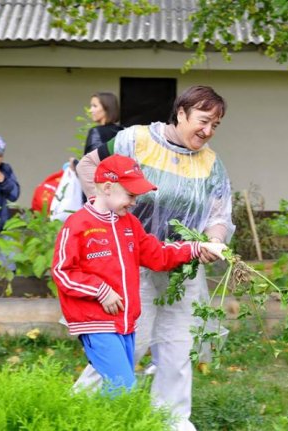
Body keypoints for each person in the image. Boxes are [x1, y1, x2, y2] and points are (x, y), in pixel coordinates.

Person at [76, 85, 233, 431]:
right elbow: (90, 168)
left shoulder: (211, 163)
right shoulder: (136, 141)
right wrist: (109, 215)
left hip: (183, 268)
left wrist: (214, 241)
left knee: (178, 348)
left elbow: (219, 214)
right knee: (129, 342)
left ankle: (171, 419)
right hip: (136, 265)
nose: (207, 132)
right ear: (181, 113)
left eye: (215, 126)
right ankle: (82, 409)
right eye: (203, 121)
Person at [52, 154, 225, 392]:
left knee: (113, 389)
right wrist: (101, 291)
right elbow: (63, 272)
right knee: (123, 388)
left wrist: (197, 248)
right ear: (108, 187)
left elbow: (158, 254)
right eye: (131, 195)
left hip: (125, 322)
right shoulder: (77, 225)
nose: (134, 202)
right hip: (95, 323)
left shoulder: (130, 224)